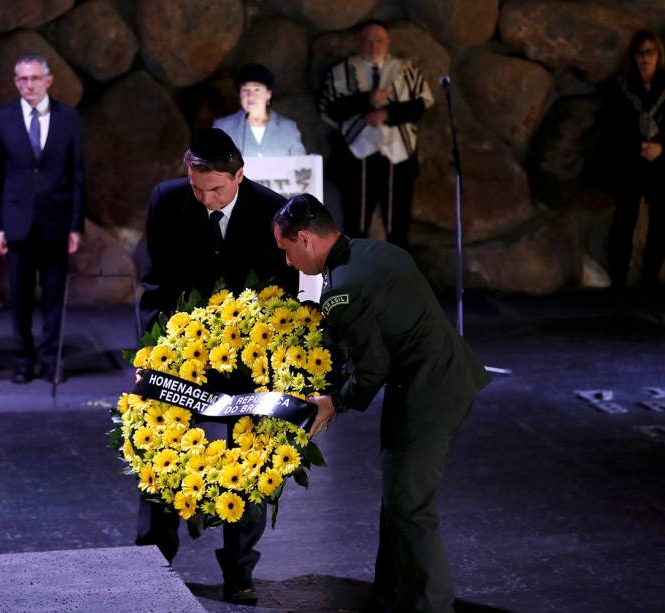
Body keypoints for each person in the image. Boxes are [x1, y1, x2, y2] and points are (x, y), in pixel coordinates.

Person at [272, 194, 490, 613]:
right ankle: (392, 595)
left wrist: (332, 401)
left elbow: (372, 370)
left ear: (305, 239)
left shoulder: (342, 291)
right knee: (398, 497)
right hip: (442, 376)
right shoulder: (378, 250)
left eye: (287, 251)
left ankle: (432, 605)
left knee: (410, 506)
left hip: (429, 393)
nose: (288, 262)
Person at [136, 128, 298, 605]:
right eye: (196, 187)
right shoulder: (166, 201)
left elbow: (281, 296)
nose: (205, 199)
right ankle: (151, 561)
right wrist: (149, 354)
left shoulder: (271, 208)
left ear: (239, 176)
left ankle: (239, 572)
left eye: (216, 190)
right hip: (179, 351)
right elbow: (156, 283)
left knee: (247, 464)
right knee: (159, 453)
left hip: (246, 355)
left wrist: (278, 365)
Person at [0, 54, 86, 384]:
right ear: (16, 82)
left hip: (56, 223)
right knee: (20, 297)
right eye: (21, 79)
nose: (28, 84)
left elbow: (77, 176)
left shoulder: (68, 118)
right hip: (16, 223)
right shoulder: (3, 119)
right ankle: (23, 360)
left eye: (34, 78)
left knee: (54, 297)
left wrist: (76, 225)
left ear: (48, 79)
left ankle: (50, 360)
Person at [318, 19, 434, 248]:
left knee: (398, 224)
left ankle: (398, 276)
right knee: (354, 223)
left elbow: (421, 105)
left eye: (379, 40)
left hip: (398, 156)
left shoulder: (406, 70)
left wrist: (386, 113)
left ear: (388, 42)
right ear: (357, 42)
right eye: (367, 40)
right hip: (356, 156)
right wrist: (366, 101)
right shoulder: (341, 72)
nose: (373, 45)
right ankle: (356, 275)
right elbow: (330, 108)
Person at [601, 30, 665, 290]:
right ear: (634, 56)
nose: (645, 58)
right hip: (631, 160)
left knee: (660, 221)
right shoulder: (622, 87)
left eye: (650, 52)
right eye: (640, 53)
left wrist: (661, 146)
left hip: (662, 161)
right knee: (625, 219)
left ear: (658, 55)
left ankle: (649, 279)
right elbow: (613, 123)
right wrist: (638, 145)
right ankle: (618, 279)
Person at [213, 63, 306, 158]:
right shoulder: (223, 128)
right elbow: (213, 167)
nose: (250, 96)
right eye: (245, 89)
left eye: (257, 89)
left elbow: (302, 167)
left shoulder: (288, 128)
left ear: (268, 94)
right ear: (239, 94)